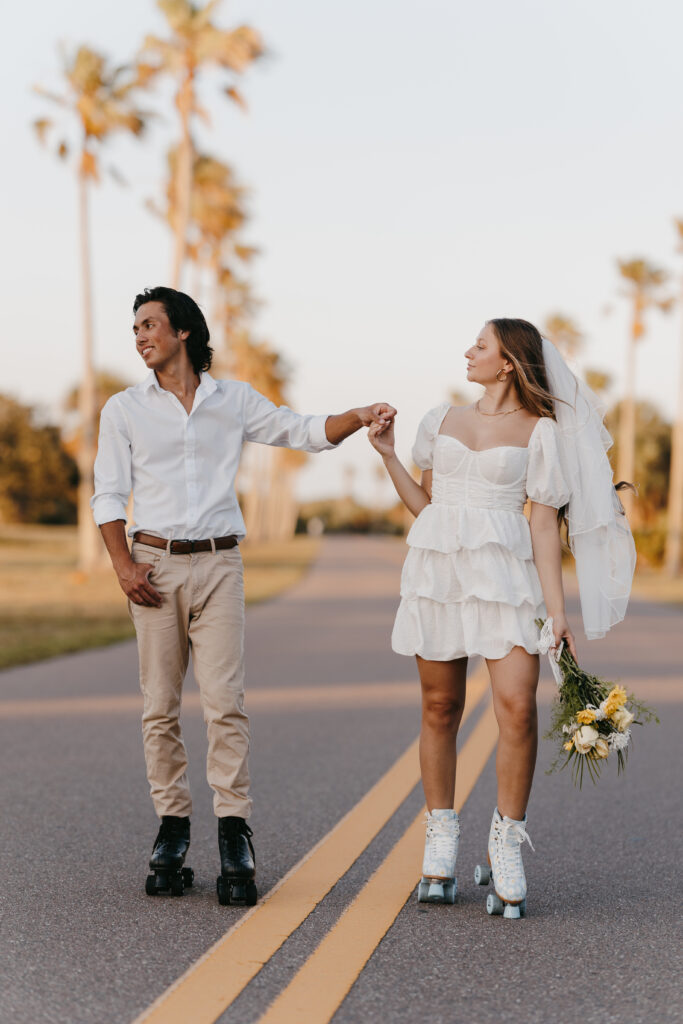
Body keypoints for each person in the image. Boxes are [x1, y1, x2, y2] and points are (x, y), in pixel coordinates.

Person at [92, 285, 396, 905]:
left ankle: (234, 831)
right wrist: (123, 565)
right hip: (151, 568)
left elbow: (301, 430)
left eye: (150, 325)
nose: (140, 336)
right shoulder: (124, 409)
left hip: (219, 565)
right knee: (160, 706)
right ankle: (172, 831)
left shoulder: (232, 401)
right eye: (135, 329)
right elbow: (106, 494)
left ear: (183, 332)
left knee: (225, 703)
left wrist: (359, 415)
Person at [368, 318, 634, 918]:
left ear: (509, 362)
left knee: (516, 708)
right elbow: (426, 509)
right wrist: (388, 456)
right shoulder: (440, 420)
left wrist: (557, 613)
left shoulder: (542, 434)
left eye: (480, 345)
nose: (469, 351)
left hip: (508, 580)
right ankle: (441, 838)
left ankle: (507, 841)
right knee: (441, 708)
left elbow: (542, 525)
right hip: (440, 574)